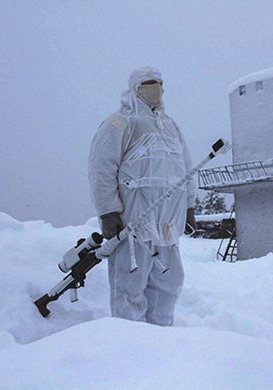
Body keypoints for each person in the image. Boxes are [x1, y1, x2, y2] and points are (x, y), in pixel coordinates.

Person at [88, 66, 196, 326]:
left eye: (160, 82)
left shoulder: (171, 126)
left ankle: (162, 343)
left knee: (168, 285)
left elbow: (186, 168)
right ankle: (130, 348)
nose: (156, 87)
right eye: (149, 82)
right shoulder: (119, 123)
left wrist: (190, 206)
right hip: (132, 223)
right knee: (130, 287)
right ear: (135, 87)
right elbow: (101, 168)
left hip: (167, 225)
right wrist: (108, 211)